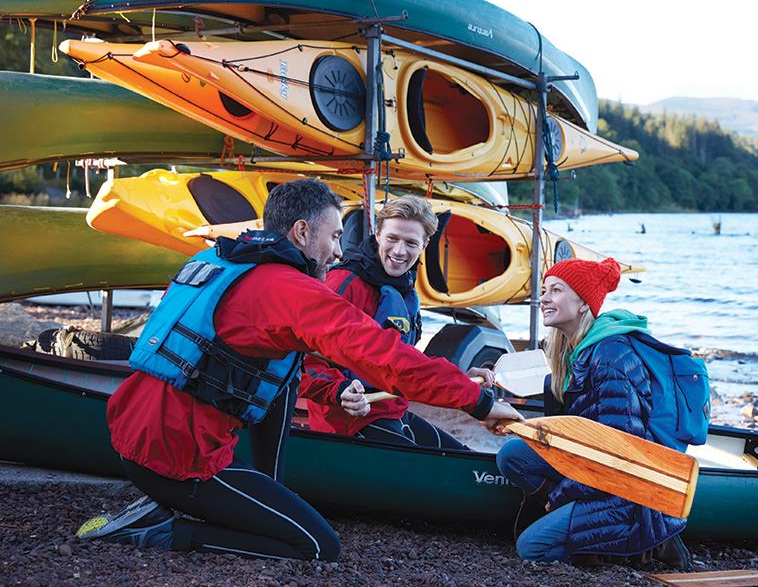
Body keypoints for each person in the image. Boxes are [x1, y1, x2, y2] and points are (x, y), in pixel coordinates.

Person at [75, 178, 522, 561]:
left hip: (144, 430)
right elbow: (384, 357)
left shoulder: (227, 260)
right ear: (302, 231)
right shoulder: (293, 291)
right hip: (176, 457)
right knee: (317, 545)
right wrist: (479, 403)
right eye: (332, 238)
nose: (337, 251)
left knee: (285, 373)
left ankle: (233, 496)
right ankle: (164, 531)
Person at [495, 258, 694, 569]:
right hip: (598, 471)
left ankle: (651, 545)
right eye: (544, 290)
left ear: (584, 304)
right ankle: (577, 518)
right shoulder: (574, 350)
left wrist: (560, 495)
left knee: (531, 549)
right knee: (513, 455)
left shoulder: (610, 357)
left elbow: (620, 457)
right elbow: (579, 432)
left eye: (556, 290)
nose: (544, 298)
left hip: (631, 490)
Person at [300, 195, 491, 449]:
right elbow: (304, 361)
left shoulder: (404, 290)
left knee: (463, 457)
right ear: (377, 233)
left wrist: (461, 379)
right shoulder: (344, 283)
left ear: (425, 243)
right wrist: (338, 389)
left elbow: (407, 360)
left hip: (392, 409)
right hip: (349, 420)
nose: (399, 251)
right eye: (392, 238)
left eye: (411, 242)